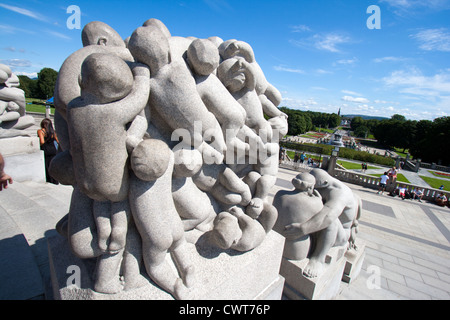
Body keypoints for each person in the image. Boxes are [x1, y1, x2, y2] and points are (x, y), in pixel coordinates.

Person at [37, 118, 60, 184]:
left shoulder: (41, 131)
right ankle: (55, 180)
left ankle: (49, 180)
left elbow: (42, 141)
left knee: (47, 166)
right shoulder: (53, 132)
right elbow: (58, 141)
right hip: (53, 150)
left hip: (46, 150)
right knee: (53, 165)